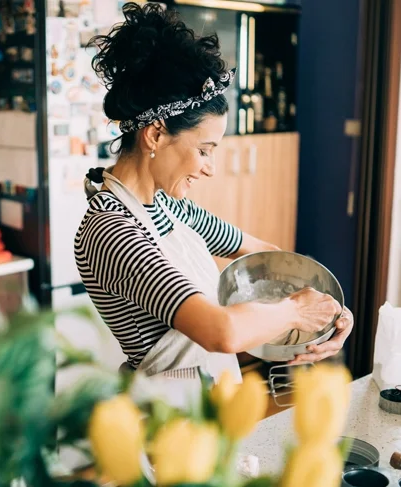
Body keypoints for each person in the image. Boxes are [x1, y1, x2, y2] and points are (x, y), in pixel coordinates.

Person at [75, 2, 353, 382]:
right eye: (203, 150)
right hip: (164, 418)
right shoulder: (110, 231)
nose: (211, 167)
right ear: (155, 134)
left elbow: (268, 258)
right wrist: (295, 312)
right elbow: (220, 331)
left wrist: (331, 313)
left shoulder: (173, 208)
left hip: (211, 402)